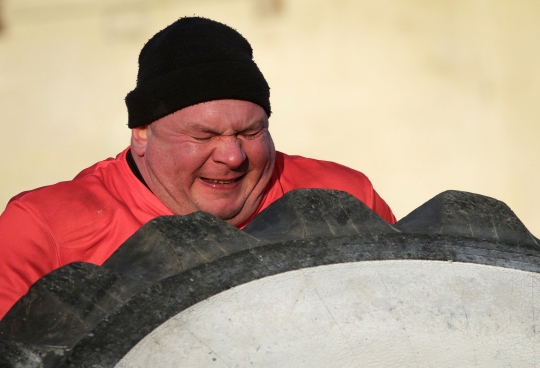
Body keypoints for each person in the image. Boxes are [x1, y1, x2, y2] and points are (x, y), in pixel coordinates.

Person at [0, 17, 395, 319]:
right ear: (141, 132)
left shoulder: (342, 200)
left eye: (250, 131)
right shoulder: (44, 228)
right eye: (204, 136)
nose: (233, 156)